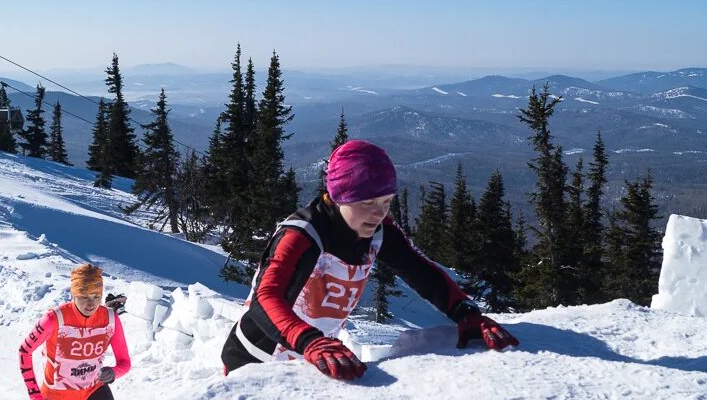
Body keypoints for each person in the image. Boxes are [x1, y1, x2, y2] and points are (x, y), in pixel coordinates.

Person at [221, 139, 518, 380]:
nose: (379, 214)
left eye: (386, 202)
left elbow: (420, 271)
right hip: (256, 360)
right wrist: (309, 340)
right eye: (367, 203)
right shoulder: (302, 235)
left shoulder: (377, 231)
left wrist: (464, 311)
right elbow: (266, 298)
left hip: (315, 359)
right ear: (339, 197)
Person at [18, 264, 131, 400]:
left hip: (94, 389)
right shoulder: (54, 319)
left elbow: (124, 363)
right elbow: (24, 351)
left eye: (96, 296)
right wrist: (35, 397)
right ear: (74, 294)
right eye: (84, 296)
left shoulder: (111, 319)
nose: (91, 304)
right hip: (59, 396)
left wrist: (114, 372)